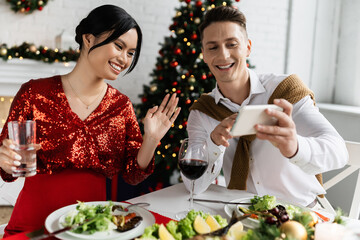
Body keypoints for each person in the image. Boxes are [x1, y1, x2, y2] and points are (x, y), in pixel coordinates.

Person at [0, 5, 180, 237]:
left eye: (130, 53)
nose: (124, 59)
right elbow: (8, 167)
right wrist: (5, 160)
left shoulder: (121, 106)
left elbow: (133, 175)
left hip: (92, 226)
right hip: (35, 223)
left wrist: (151, 139)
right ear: (88, 38)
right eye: (119, 46)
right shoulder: (34, 93)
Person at [182, 6, 348, 208]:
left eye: (232, 44)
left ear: (248, 47)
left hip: (302, 213)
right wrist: (214, 143)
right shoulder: (202, 112)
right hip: (243, 216)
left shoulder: (285, 91)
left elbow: (339, 152)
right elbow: (192, 185)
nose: (224, 55)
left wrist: (295, 147)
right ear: (204, 55)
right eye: (213, 47)